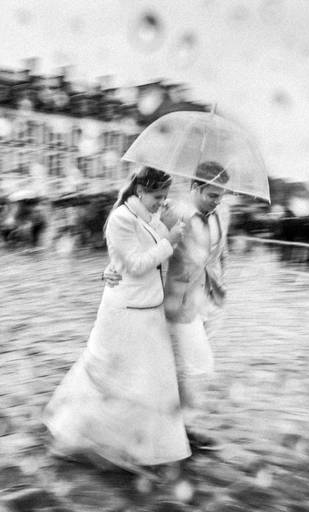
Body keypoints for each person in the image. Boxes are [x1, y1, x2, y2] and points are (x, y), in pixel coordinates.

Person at [43, 166, 190, 470]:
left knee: (145, 382)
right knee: (113, 379)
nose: (162, 202)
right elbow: (135, 265)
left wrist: (169, 229)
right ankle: (73, 435)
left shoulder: (149, 217)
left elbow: (142, 258)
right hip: (126, 312)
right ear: (141, 191)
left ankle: (131, 445)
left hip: (148, 310)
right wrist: (169, 242)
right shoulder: (121, 218)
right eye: (157, 196)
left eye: (165, 196)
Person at [104, 161, 232, 451]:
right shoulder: (173, 212)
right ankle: (175, 429)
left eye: (221, 195)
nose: (218, 201)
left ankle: (174, 426)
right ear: (195, 187)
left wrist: (219, 286)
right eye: (212, 195)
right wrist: (112, 268)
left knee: (182, 368)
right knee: (194, 366)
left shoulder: (220, 215)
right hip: (171, 304)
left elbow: (218, 253)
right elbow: (139, 245)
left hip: (203, 303)